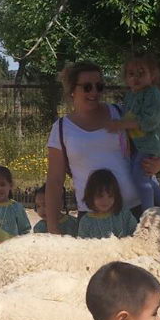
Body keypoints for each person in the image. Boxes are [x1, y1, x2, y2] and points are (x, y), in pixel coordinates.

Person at [42, 62, 143, 232]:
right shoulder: (61, 129)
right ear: (72, 90)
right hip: (92, 220)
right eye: (87, 87)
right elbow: (55, 181)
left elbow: (150, 144)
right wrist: (52, 227)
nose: (94, 92)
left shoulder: (121, 114)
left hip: (132, 212)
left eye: (99, 86)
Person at [109, 54, 160, 218]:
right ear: (126, 78)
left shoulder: (152, 93)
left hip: (152, 144)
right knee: (141, 175)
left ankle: (148, 214)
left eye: (141, 73)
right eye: (131, 74)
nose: (136, 78)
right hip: (141, 144)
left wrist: (122, 125)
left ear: (152, 76)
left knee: (141, 179)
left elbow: (150, 120)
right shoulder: (132, 95)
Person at [76, 169, 138, 239]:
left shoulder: (124, 215)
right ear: (91, 196)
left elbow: (137, 234)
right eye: (100, 196)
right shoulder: (86, 222)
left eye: (110, 196)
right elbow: (83, 246)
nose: (105, 201)